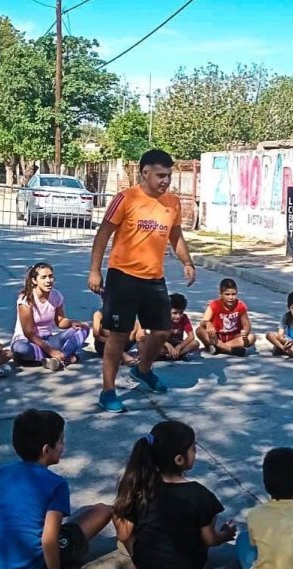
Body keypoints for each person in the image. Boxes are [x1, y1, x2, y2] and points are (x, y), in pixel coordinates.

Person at [88, 149, 197, 413]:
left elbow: (176, 237)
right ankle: (108, 391)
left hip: (153, 279)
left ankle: (143, 370)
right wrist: (94, 271)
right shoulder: (125, 199)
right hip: (122, 277)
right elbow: (103, 234)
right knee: (118, 335)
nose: (165, 181)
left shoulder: (172, 203)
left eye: (168, 176)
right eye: (160, 175)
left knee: (161, 331)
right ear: (145, 172)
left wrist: (187, 262)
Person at [0, 409, 113, 569]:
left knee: (86, 511)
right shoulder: (56, 484)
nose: (63, 446)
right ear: (46, 450)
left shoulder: (0, 471)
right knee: (103, 511)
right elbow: (49, 539)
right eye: (61, 441)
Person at [112, 421, 235, 569]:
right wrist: (226, 534)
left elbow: (123, 535)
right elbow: (211, 540)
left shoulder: (138, 489)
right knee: (204, 521)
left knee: (128, 523)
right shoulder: (200, 494)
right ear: (179, 459)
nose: (196, 452)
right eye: (193, 449)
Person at [12, 262, 91, 371]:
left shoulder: (56, 295)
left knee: (84, 329)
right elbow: (28, 333)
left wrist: (72, 322)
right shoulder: (26, 300)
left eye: (50, 276)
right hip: (27, 341)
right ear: (34, 280)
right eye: (43, 277)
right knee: (21, 349)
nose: (48, 280)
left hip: (48, 340)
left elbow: (60, 321)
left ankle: (59, 358)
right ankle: (64, 357)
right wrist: (51, 351)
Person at [196, 278, 256, 356]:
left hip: (234, 338)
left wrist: (245, 331)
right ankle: (229, 350)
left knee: (252, 337)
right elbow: (202, 322)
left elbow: (247, 324)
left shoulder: (240, 305)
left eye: (233, 294)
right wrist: (208, 324)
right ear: (221, 294)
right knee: (199, 330)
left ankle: (220, 348)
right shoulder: (214, 305)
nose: (231, 298)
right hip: (217, 338)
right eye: (227, 294)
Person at [154, 293, 200, 361]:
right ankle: (169, 355)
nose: (178, 316)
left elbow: (191, 337)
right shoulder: (162, 318)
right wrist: (168, 345)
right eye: (174, 313)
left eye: (181, 313)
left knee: (195, 343)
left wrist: (179, 347)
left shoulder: (184, 318)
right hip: (164, 345)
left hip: (178, 345)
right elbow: (155, 335)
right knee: (149, 343)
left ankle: (176, 355)